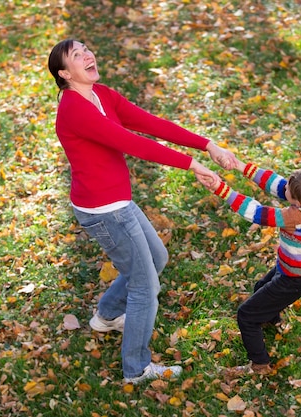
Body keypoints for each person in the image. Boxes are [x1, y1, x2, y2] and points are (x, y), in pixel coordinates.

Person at [47, 39, 236, 385]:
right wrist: (192, 165)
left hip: (118, 201)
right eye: (77, 55)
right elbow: (131, 142)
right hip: (104, 211)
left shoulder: (101, 94)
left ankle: (106, 316)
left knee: (157, 259)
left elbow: (148, 123)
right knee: (144, 287)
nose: (88, 54)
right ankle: (136, 369)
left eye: (88, 48)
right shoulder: (75, 109)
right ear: (64, 73)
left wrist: (207, 145)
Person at [203, 160, 301, 375]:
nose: (283, 187)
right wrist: (240, 166)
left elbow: (256, 213)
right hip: (294, 267)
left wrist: (221, 189)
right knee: (261, 287)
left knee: (246, 315)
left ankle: (260, 365)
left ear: (296, 200)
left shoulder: (294, 217)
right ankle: (271, 320)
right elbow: (277, 184)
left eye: (288, 189)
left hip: (294, 278)